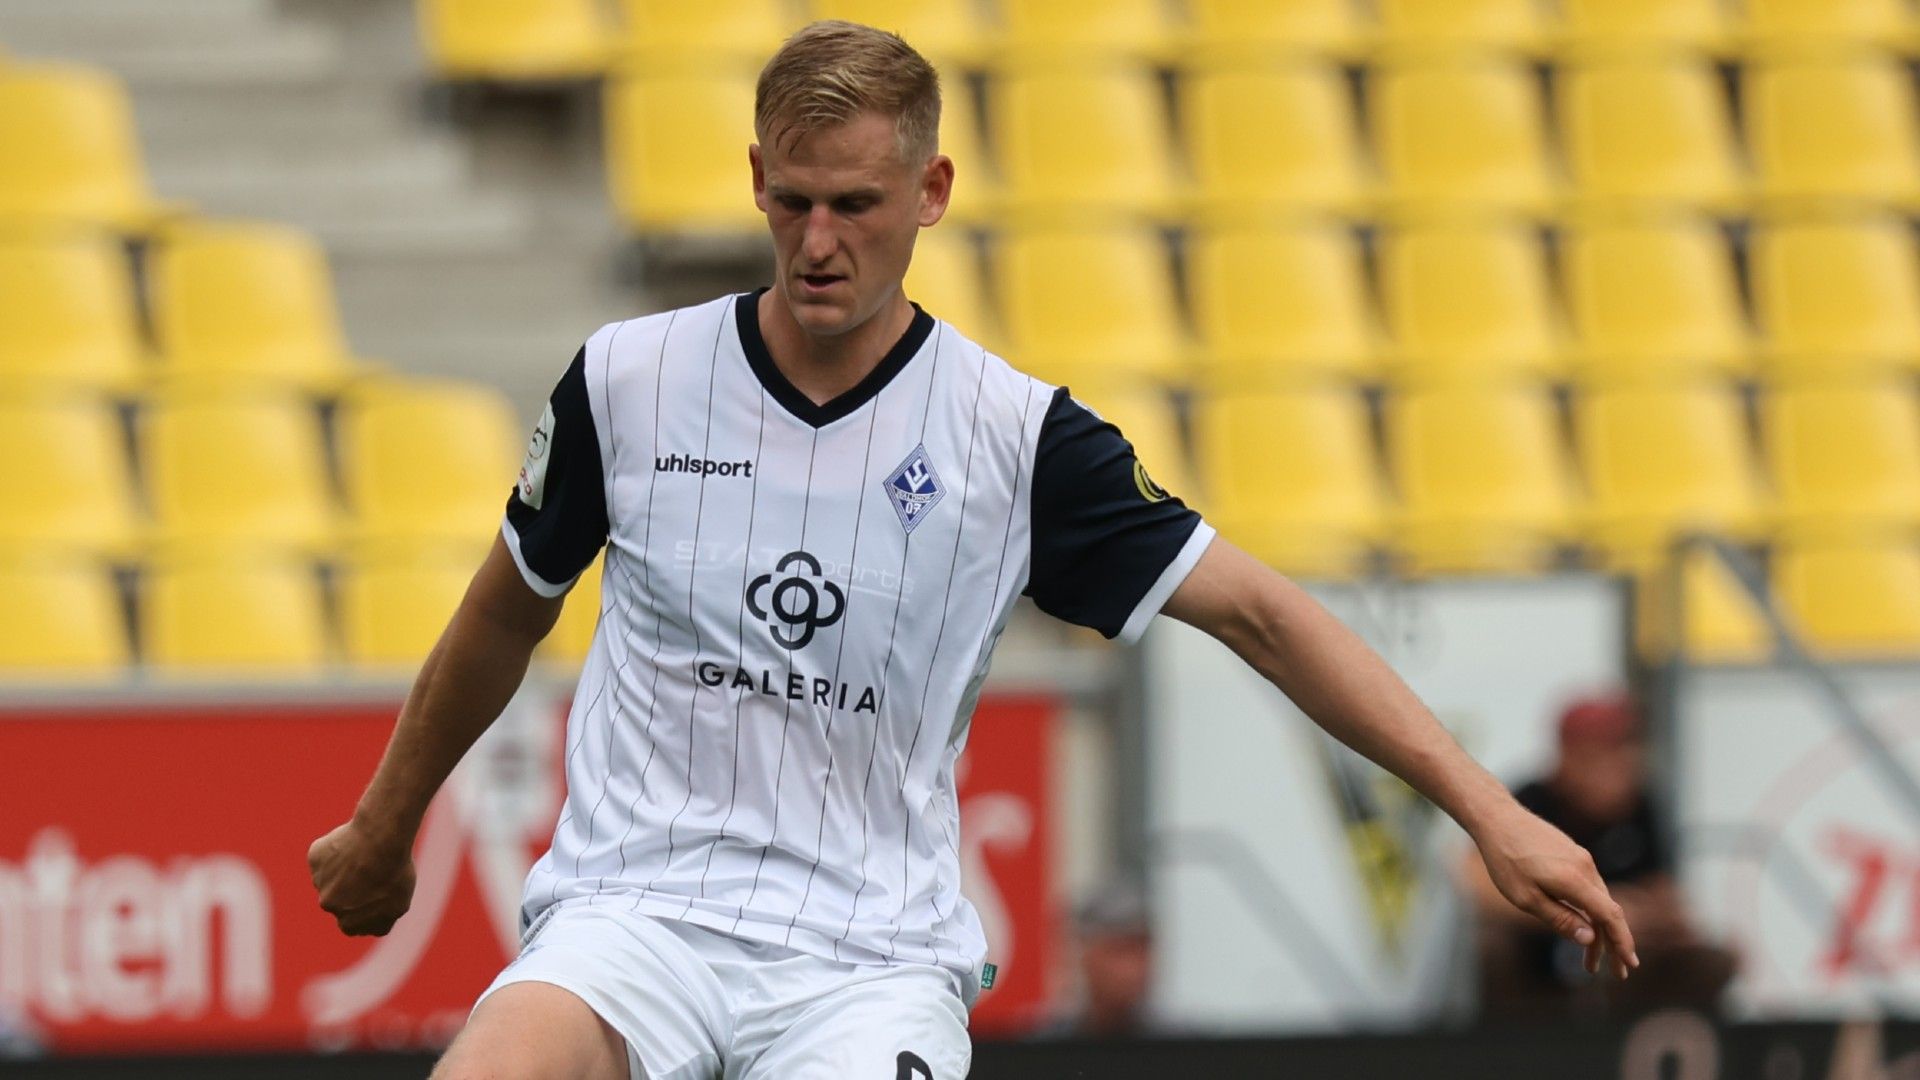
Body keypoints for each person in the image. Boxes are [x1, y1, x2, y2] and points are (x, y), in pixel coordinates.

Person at [307, 20, 1638, 1079]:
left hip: (862, 961)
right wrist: (384, 820)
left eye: (855, 204)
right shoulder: (628, 381)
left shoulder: (1019, 440)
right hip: (633, 917)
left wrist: (1491, 811)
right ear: (755, 185)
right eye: (791, 204)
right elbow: (503, 613)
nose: (819, 242)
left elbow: (1266, 617)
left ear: (932, 191)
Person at [1463, 694, 1737, 1022]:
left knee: (1710, 959)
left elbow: (1663, 891)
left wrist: (1649, 915)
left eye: (1625, 748)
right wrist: (1577, 913)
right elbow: (1471, 878)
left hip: (1621, 953)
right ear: (1567, 755)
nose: (1620, 763)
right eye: (1603, 751)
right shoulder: (1531, 801)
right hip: (1540, 945)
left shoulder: (1641, 807)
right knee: (1492, 950)